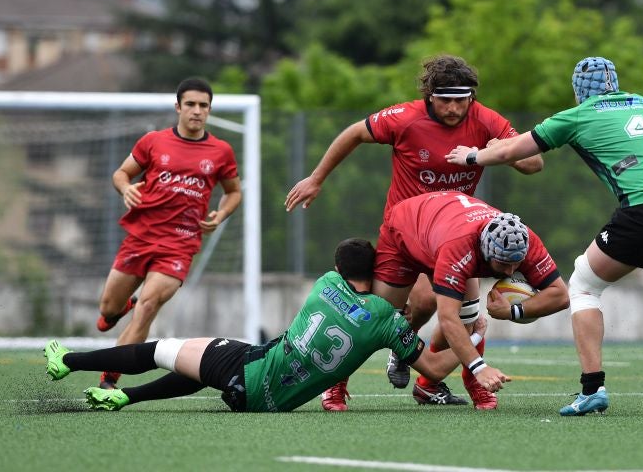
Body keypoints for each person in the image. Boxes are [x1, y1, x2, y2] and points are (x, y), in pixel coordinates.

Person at [447, 56, 643, 416]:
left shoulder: (576, 116)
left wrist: (472, 156)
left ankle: (593, 388)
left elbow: (515, 151)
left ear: (577, 90)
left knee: (584, 286)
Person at [285, 54, 543, 410]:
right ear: (429, 96)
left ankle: (447, 383)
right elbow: (354, 132)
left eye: (461, 100)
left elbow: (533, 163)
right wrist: (316, 179)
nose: (454, 109)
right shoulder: (405, 118)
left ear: (472, 97)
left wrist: (489, 152)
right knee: (375, 315)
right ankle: (336, 383)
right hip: (403, 235)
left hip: (453, 235)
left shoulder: (485, 120)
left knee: (464, 311)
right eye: (445, 100)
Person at [43, 238, 491, 413]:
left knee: (160, 348)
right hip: (270, 399)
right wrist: (471, 339)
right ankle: (124, 395)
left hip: (254, 370)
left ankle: (67, 360)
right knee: (199, 367)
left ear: (338, 266)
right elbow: (432, 368)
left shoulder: (326, 282)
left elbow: (351, 280)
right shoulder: (386, 323)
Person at [94, 78, 242, 390]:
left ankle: (109, 379)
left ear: (209, 110)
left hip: (180, 244)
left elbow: (233, 193)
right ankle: (120, 308)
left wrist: (222, 213)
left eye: (203, 105)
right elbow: (121, 173)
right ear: (178, 107)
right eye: (190, 104)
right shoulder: (152, 142)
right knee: (107, 309)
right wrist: (125, 188)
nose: (197, 111)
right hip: (141, 237)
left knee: (148, 306)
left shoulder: (220, 151)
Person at [368, 190, 570, 409]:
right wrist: (480, 367)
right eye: (503, 263)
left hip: (443, 228)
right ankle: (337, 386)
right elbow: (447, 318)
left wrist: (513, 311)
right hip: (406, 230)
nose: (511, 272)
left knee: (468, 320)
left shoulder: (522, 240)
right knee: (378, 319)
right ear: (486, 251)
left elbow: (560, 295)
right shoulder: (460, 249)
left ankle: (431, 386)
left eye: (517, 263)